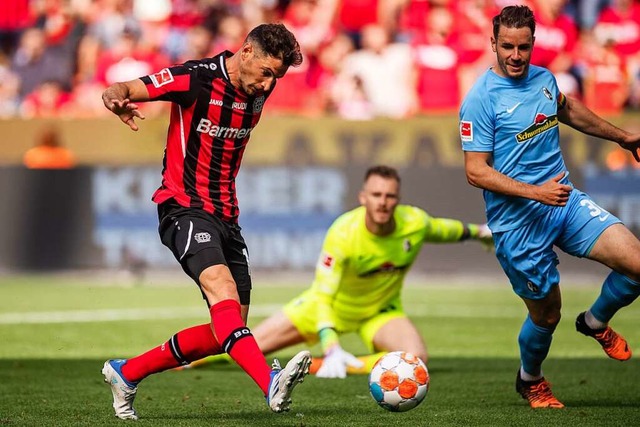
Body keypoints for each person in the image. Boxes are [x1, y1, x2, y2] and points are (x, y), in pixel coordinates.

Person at [100, 23, 312, 420]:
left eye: (277, 78)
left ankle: (126, 373)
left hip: (227, 216)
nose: (268, 86)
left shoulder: (256, 90)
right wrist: (116, 98)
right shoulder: (194, 79)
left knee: (227, 331)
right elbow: (126, 87)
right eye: (266, 73)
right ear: (245, 52)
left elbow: (258, 87)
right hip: (182, 207)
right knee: (221, 288)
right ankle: (270, 383)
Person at [460, 5, 640, 409]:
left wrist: (621, 136)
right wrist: (534, 192)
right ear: (493, 43)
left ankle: (595, 321)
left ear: (533, 44)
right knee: (547, 316)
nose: (516, 56)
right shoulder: (480, 99)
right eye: (507, 46)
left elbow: (567, 108)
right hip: (517, 224)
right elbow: (476, 171)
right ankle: (531, 379)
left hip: (563, 202)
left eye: (523, 47)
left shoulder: (543, 79)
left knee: (638, 263)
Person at [189, 165, 493, 377]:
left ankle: (323, 365)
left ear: (397, 200)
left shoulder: (414, 222)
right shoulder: (344, 232)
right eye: (376, 195)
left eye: (389, 196)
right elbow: (323, 295)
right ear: (363, 197)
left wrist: (479, 231)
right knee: (238, 348)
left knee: (417, 360)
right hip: (325, 308)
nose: (383, 203)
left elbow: (443, 229)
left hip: (379, 312)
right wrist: (331, 344)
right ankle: (182, 363)